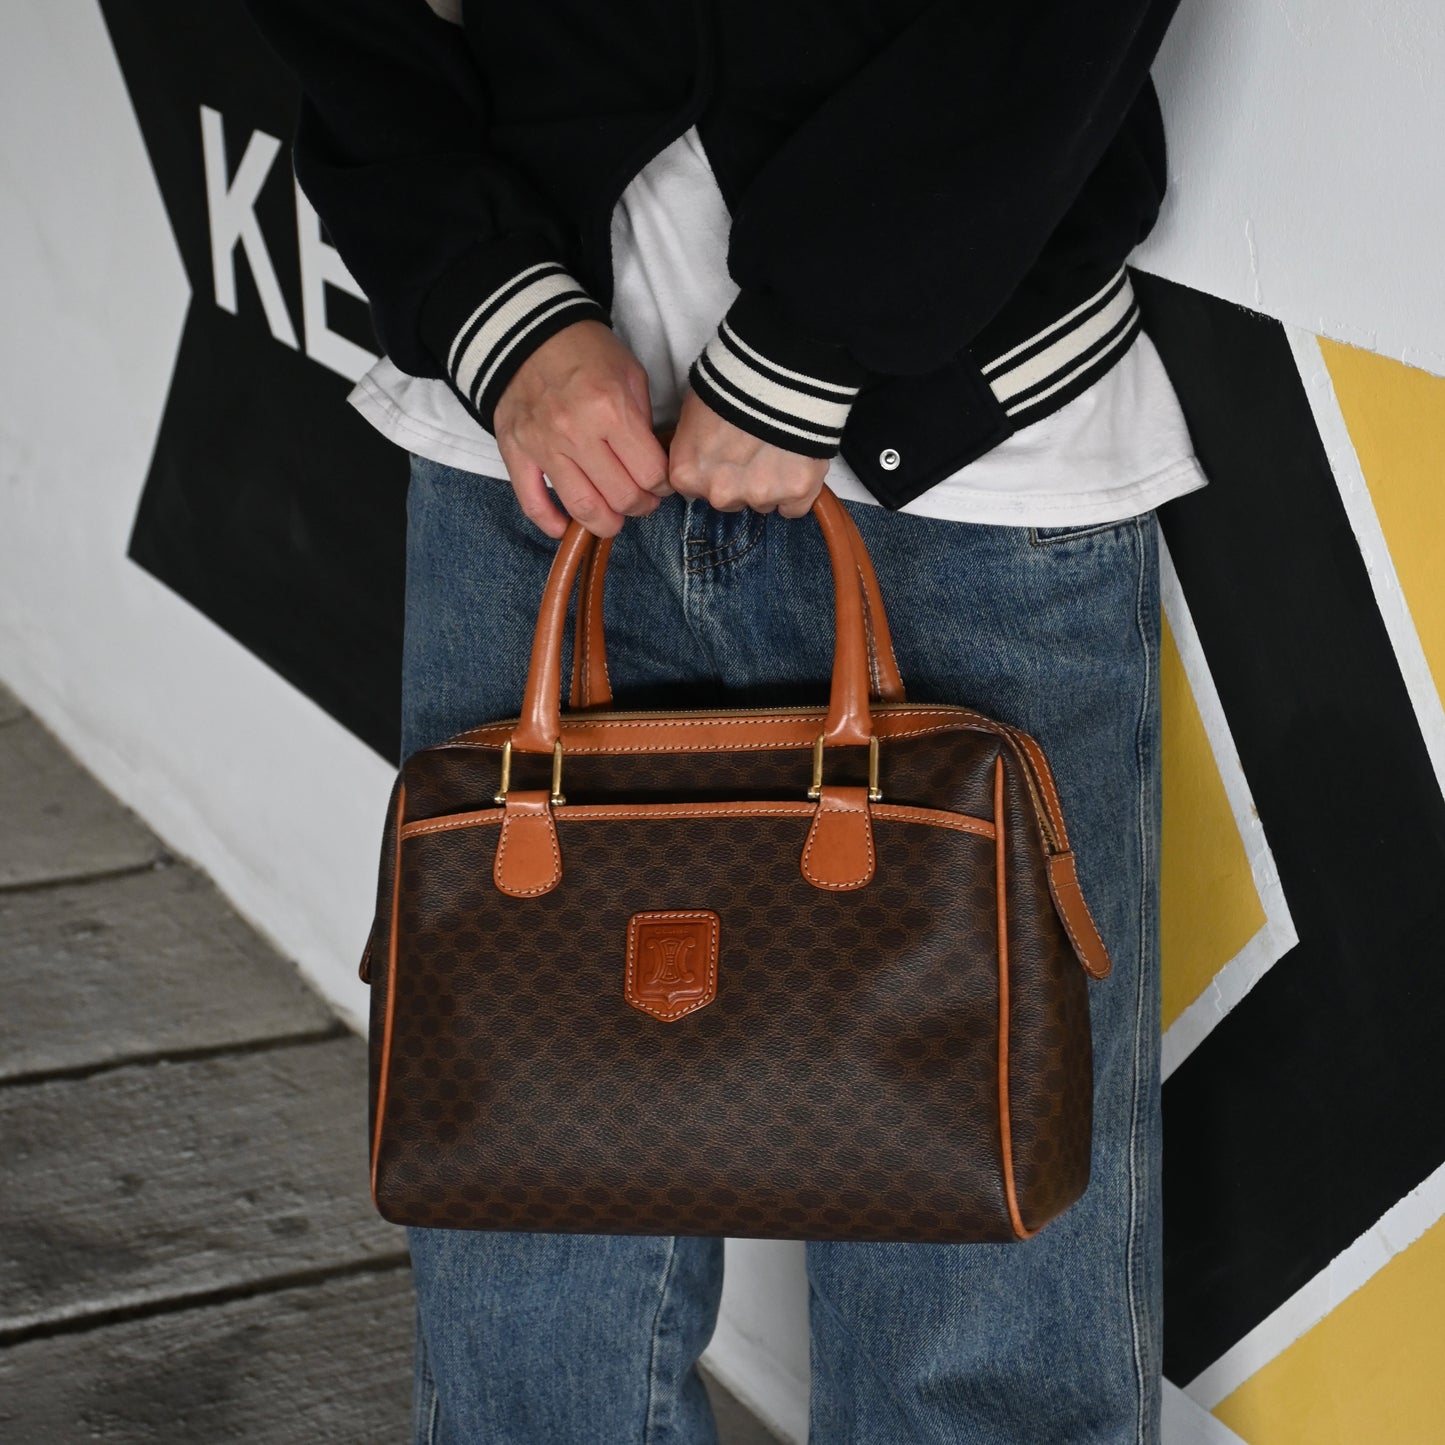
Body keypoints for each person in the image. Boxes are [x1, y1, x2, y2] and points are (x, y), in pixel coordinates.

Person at [241, 2, 1200, 1439]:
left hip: (971, 438)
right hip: (526, 444)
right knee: (528, 1335)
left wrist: (817, 332)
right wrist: (491, 303)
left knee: (982, 1328)